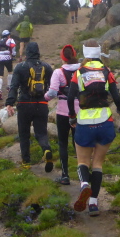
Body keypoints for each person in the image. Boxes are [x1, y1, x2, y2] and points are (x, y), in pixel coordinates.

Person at [67, 39, 120, 217]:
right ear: (99, 51)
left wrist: (72, 116)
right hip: (104, 121)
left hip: (84, 122)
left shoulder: (79, 72)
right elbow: (116, 96)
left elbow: (70, 97)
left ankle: (84, 184)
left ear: (84, 52)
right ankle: (93, 203)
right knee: (98, 164)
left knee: (83, 161)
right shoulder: (107, 71)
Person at [6, 42, 54, 171]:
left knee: (24, 134)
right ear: (38, 52)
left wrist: (10, 103)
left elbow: (14, 86)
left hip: (24, 104)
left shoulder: (20, 67)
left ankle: (26, 162)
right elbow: (52, 86)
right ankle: (46, 149)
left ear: (27, 52)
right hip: (42, 104)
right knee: (41, 132)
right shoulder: (47, 67)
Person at [45, 45, 81, 185]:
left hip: (63, 111)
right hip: (80, 111)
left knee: (63, 143)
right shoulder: (81, 70)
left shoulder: (58, 72)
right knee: (79, 143)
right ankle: (83, 176)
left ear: (63, 58)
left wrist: (45, 97)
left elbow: (53, 92)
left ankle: (65, 176)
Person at [0, 30, 16, 101]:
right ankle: (9, 87)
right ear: (8, 35)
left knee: (0, 75)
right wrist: (13, 54)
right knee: (10, 72)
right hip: (7, 57)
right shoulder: (10, 40)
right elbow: (13, 46)